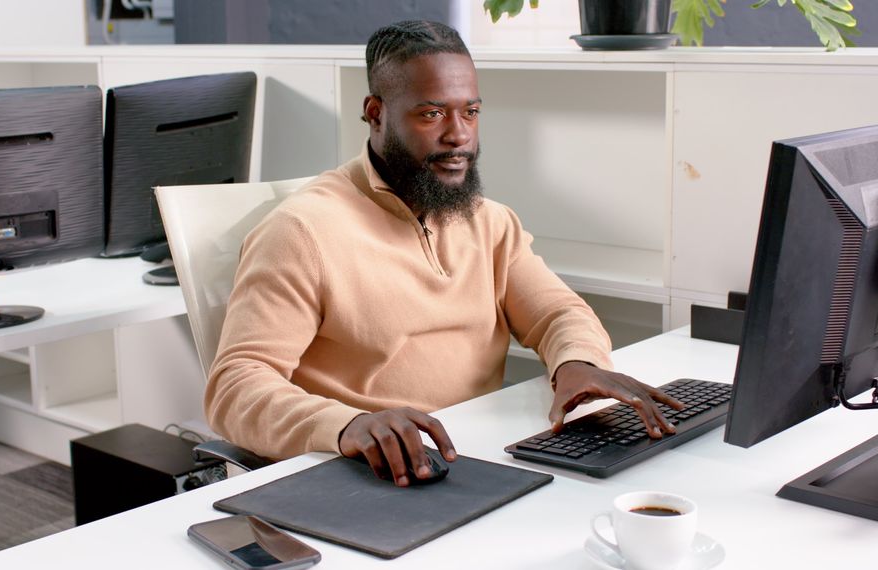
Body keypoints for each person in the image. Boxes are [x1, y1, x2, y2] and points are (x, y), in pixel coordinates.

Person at [205, 20, 682, 487]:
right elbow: (236, 387)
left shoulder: (489, 220)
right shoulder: (301, 232)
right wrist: (345, 424)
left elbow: (557, 313)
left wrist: (576, 364)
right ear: (375, 113)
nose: (459, 135)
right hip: (368, 472)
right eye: (432, 114)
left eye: (470, 112)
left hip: (480, 459)